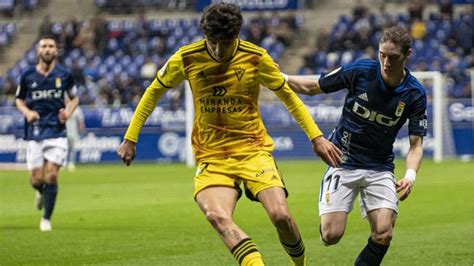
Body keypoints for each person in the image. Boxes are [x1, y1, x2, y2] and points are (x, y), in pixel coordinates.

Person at [117, 3, 342, 265]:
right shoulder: (186, 57)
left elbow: (289, 97)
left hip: (253, 150)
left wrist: (316, 138)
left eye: (225, 43)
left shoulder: (255, 57)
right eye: (213, 42)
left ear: (236, 36)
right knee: (217, 216)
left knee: (281, 216)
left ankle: (300, 263)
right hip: (212, 156)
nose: (218, 50)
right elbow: (153, 91)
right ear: (206, 36)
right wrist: (130, 137)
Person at [285, 26, 427, 265]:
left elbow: (416, 144)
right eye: (382, 54)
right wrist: (277, 78)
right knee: (331, 236)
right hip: (342, 159)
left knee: (384, 232)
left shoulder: (414, 93)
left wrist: (410, 176)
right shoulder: (360, 71)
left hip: (379, 167)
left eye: (393, 57)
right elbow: (311, 87)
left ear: (407, 54)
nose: (386, 62)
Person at [15, 36, 79, 232]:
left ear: (56, 51)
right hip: (35, 132)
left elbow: (75, 98)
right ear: (38, 51)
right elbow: (19, 100)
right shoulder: (27, 76)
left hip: (57, 132)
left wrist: (68, 112)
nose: (48, 49)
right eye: (44, 46)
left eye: (51, 46)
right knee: (36, 180)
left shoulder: (65, 74)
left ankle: (46, 219)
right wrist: (27, 113)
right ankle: (41, 192)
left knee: (51, 175)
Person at [66, 105, 85, 171]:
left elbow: (80, 122)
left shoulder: (77, 109)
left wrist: (82, 131)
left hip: (73, 132)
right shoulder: (64, 107)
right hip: (64, 132)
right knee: (66, 149)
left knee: (72, 149)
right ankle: (65, 163)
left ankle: (71, 163)